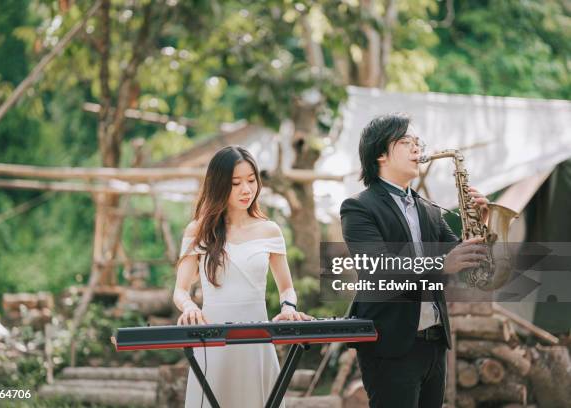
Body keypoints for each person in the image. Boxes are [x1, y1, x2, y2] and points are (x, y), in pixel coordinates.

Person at [340, 113, 490, 408]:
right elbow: (379, 269)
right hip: (390, 343)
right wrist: (442, 263)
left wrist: (482, 224)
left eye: (417, 142)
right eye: (405, 142)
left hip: (434, 343)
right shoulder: (358, 207)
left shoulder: (430, 209)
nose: (416, 149)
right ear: (380, 153)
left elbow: (463, 259)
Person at [173, 145, 310, 408]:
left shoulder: (269, 230)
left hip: (257, 340)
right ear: (219, 185)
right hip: (212, 341)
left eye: (251, 180)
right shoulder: (198, 230)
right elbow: (180, 290)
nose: (247, 189)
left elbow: (286, 289)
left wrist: (288, 307)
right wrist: (189, 306)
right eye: (236, 183)